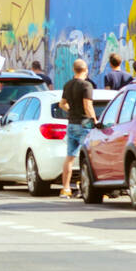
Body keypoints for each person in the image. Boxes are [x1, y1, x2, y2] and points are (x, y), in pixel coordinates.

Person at [59, 58, 97, 199]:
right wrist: (94, 120)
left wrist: (71, 110)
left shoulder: (67, 85)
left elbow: (62, 104)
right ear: (85, 70)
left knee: (70, 157)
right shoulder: (86, 85)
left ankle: (66, 189)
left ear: (74, 70)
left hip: (71, 124)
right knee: (87, 158)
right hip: (84, 125)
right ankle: (86, 188)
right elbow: (88, 106)